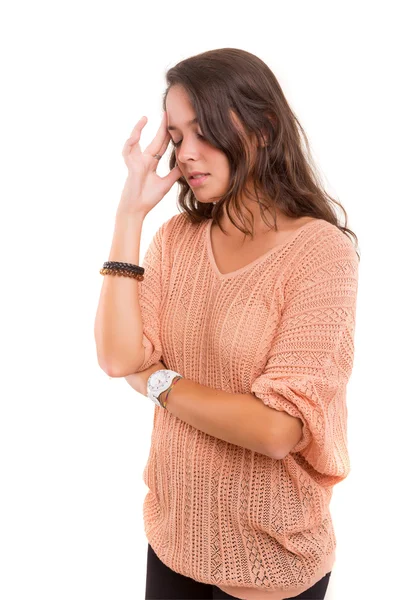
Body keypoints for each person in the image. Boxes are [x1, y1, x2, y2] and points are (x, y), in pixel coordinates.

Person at [94, 48, 360, 600]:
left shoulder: (320, 255)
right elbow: (120, 358)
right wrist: (129, 215)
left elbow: (276, 430)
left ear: (262, 127)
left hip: (269, 557)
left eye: (205, 131)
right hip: (171, 539)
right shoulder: (176, 240)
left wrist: (159, 381)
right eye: (176, 136)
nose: (187, 154)